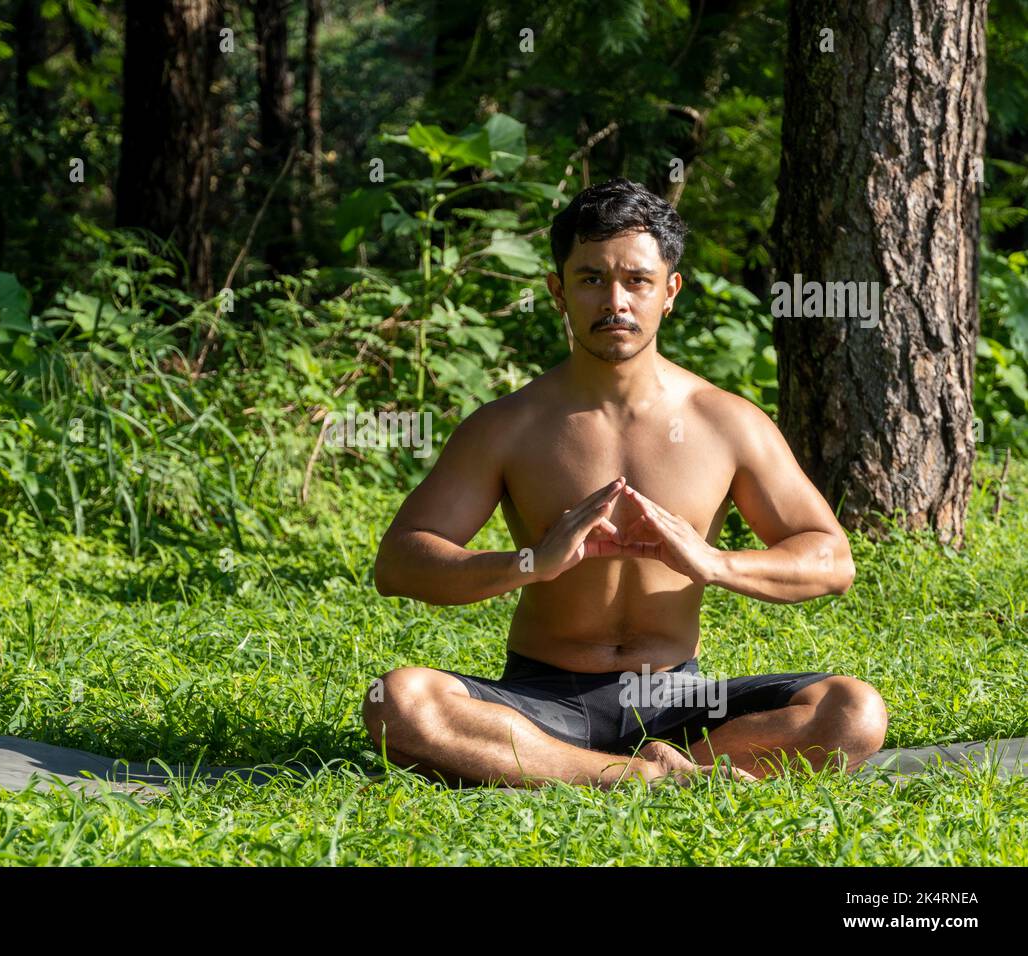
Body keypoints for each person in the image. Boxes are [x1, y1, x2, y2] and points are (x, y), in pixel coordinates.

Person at [364, 177, 888, 790]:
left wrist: (713, 562)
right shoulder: (507, 426)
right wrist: (532, 560)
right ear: (558, 292)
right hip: (542, 699)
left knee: (853, 710)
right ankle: (643, 778)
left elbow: (831, 559)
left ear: (669, 292)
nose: (615, 301)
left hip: (682, 701)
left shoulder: (726, 421)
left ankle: (633, 770)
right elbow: (400, 563)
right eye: (591, 279)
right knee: (397, 701)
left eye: (637, 281)